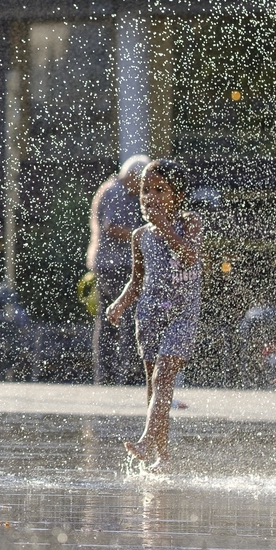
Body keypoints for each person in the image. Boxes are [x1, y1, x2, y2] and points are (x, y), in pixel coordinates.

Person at [105, 158, 201, 470]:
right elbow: (137, 281)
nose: (151, 197)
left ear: (179, 195)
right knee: (154, 386)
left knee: (163, 377)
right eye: (146, 190)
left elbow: (189, 257)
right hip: (149, 316)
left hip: (182, 316)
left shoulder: (190, 225)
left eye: (160, 190)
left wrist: (164, 227)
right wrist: (120, 304)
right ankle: (163, 457)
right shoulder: (140, 236)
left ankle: (147, 441)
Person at [90, 155, 149, 384]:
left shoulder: (113, 188)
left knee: (107, 320)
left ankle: (106, 374)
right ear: (133, 177)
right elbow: (112, 226)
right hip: (116, 265)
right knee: (125, 317)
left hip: (106, 263)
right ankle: (126, 374)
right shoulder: (116, 192)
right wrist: (142, 235)